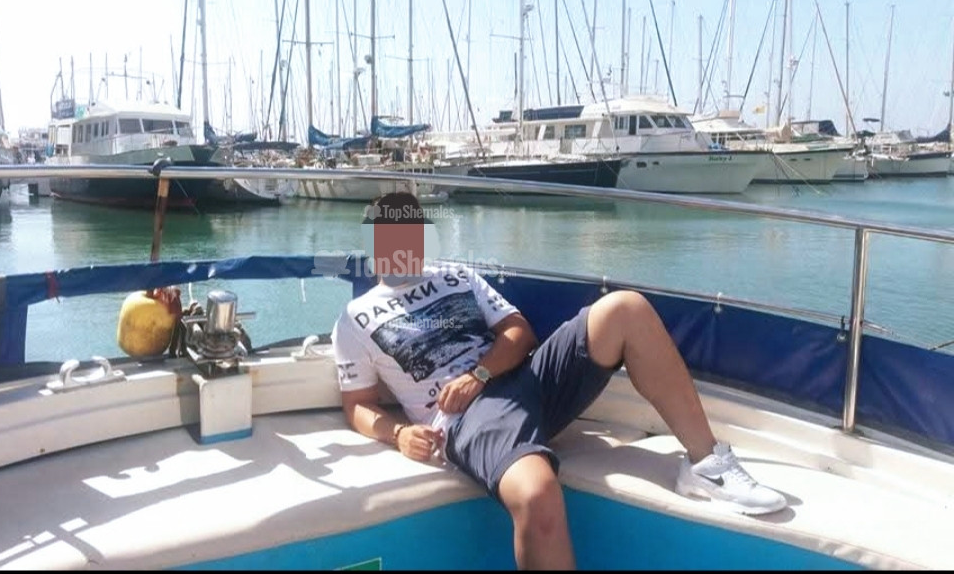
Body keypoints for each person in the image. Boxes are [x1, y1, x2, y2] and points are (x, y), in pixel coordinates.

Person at [331, 191, 787, 570]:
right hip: (468, 417)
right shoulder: (355, 318)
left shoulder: (457, 276)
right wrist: (398, 433)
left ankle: (707, 465)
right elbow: (358, 405)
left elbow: (519, 333)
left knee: (624, 309)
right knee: (537, 496)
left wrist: (479, 373)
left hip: (521, 376)